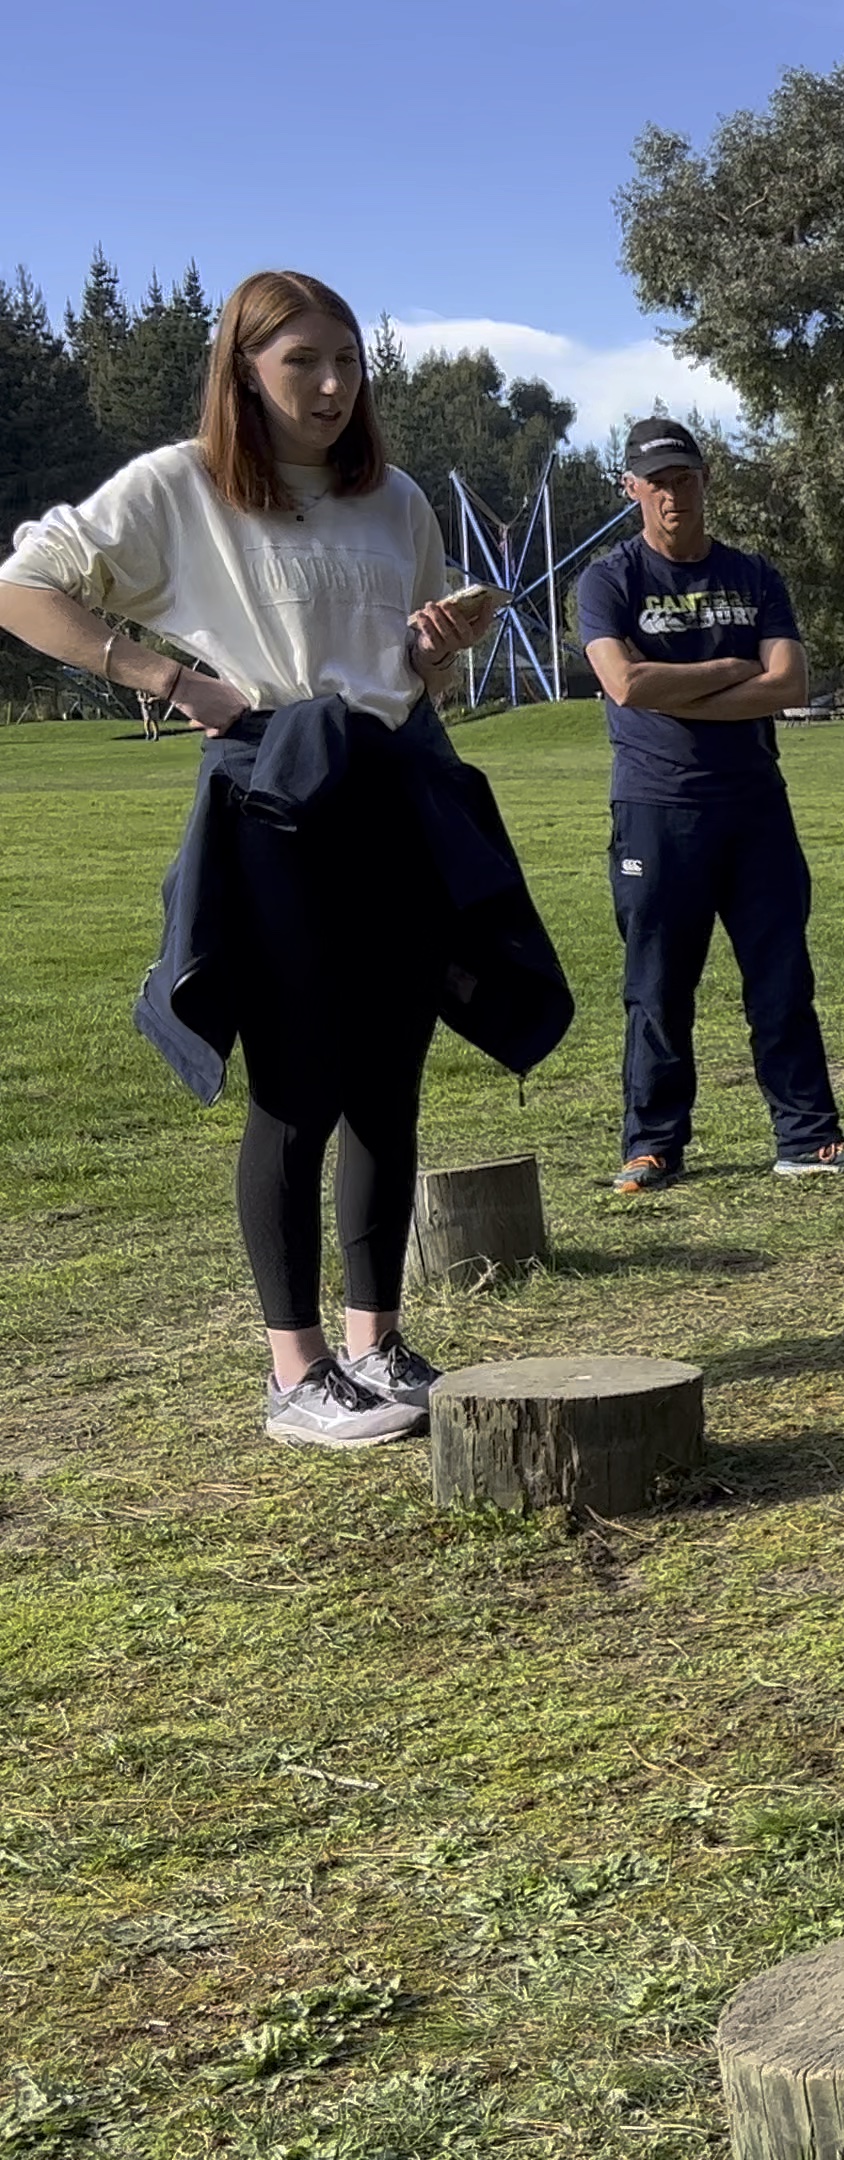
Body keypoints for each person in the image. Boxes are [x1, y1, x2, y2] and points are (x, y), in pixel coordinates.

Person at [0, 270, 558, 1447]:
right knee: (296, 1086)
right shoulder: (182, 486)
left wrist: (434, 649)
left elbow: (414, 676)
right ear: (245, 371)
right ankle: (294, 1372)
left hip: (392, 792)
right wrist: (166, 677)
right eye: (302, 361)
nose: (332, 384)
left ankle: (376, 1344)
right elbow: (22, 588)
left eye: (347, 360)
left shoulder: (396, 498)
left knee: (387, 1086)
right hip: (275, 799)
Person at [576, 418, 844, 1193]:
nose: (671, 495)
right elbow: (625, 685)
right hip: (655, 807)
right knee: (657, 986)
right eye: (656, 482)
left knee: (782, 979)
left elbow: (790, 684)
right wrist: (732, 669)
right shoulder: (608, 581)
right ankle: (652, 1146)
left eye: (683, 478)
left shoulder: (752, 575)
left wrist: (676, 687)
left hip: (754, 806)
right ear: (631, 489)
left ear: (705, 481)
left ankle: (808, 1138)